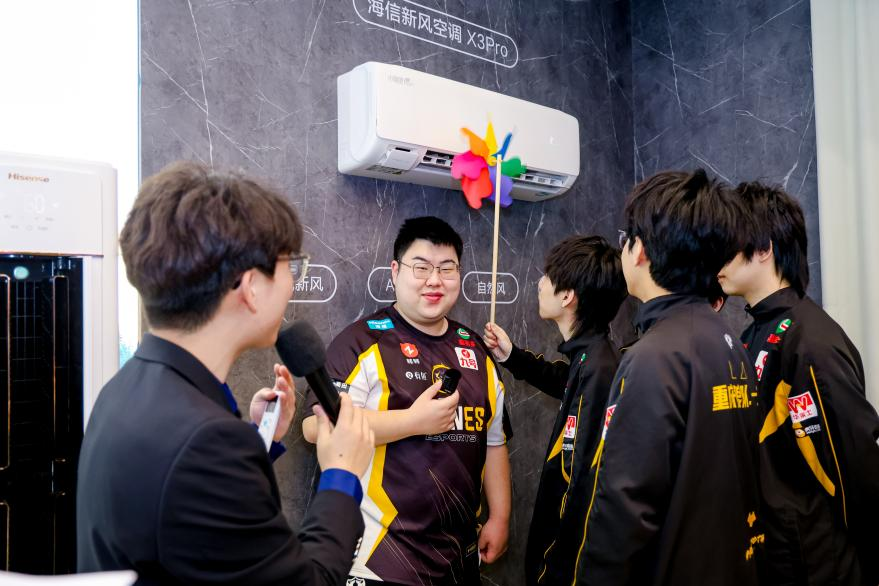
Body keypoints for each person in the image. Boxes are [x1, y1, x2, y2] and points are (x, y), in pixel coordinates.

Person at [77, 161, 375, 585]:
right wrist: (342, 473)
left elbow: (196, 526)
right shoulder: (206, 442)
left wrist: (258, 439)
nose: (293, 283)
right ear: (250, 287)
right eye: (291, 265)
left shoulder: (125, 389)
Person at [573, 169, 763, 585]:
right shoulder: (727, 340)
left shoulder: (653, 357)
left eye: (626, 238)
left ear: (640, 250)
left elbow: (623, 510)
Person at [302, 216, 511, 586]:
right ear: (396, 271)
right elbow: (316, 427)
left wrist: (500, 517)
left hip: (460, 559)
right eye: (421, 267)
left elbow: (494, 441)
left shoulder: (477, 351)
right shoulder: (360, 342)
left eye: (446, 269)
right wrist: (413, 422)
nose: (434, 280)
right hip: (381, 558)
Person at [718, 181, 879, 585]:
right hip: (771, 554)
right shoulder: (752, 334)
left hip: (816, 562)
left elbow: (856, 464)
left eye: (728, 242)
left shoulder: (811, 341)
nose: (717, 257)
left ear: (763, 249)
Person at [481, 235, 627, 586]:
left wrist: (552, 566)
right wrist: (512, 356)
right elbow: (564, 381)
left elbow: (579, 484)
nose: (540, 283)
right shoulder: (590, 356)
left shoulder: (599, 367)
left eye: (547, 277)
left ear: (567, 296)